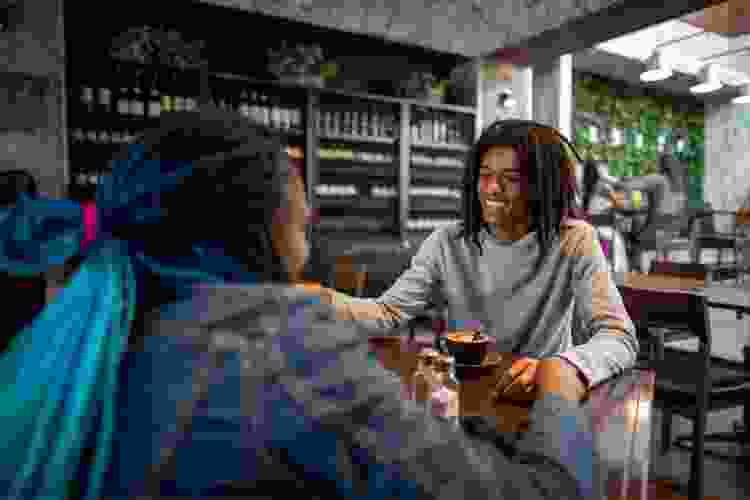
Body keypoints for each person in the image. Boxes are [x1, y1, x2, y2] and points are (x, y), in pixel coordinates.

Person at [0, 108, 602, 499]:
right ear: (254, 220)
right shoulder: (279, 349)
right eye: (296, 190)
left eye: (511, 177)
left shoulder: (91, 331)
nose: (310, 211)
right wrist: (562, 387)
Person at [307, 119, 638, 399]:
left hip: (537, 398)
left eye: (511, 178)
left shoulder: (574, 239)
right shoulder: (447, 242)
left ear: (543, 186)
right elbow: (389, 313)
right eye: (485, 174)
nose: (492, 188)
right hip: (463, 395)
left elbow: (619, 337)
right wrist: (316, 299)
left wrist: (565, 367)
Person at [598, 138, 690, 271]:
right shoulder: (679, 185)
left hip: (656, 231)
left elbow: (628, 186)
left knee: (628, 234)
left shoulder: (658, 179)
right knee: (635, 229)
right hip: (675, 231)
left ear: (661, 164)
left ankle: (632, 270)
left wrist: (605, 178)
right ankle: (640, 268)